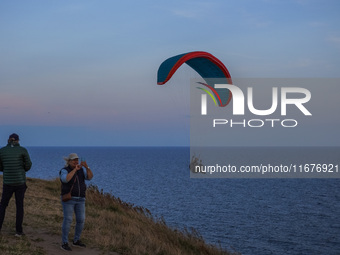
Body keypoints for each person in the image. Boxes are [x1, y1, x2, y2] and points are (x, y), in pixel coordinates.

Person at [59, 153, 93, 251]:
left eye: (77, 160)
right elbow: (65, 180)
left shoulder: (81, 170)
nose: (76, 162)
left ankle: (76, 240)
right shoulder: (64, 170)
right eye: (73, 160)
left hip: (81, 199)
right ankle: (64, 242)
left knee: (81, 220)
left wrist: (87, 167)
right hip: (69, 199)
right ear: (69, 161)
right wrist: (75, 170)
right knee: (68, 220)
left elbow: (90, 177)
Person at [0, 133, 32, 236]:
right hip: (20, 182)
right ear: (17, 140)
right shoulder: (23, 150)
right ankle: (18, 231)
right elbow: (28, 165)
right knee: (19, 206)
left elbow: (0, 167)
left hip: (8, 182)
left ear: (8, 140)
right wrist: (21, 168)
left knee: (3, 205)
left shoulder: (2, 151)